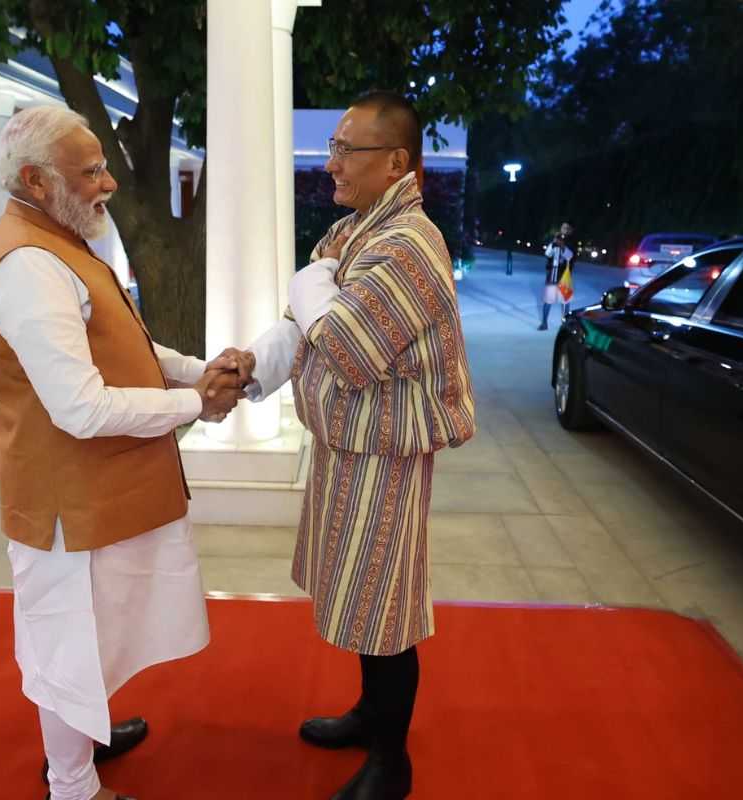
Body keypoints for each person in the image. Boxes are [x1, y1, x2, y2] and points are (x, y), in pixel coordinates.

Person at [0, 106, 243, 800]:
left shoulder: (60, 239)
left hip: (97, 492)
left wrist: (196, 370)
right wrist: (197, 404)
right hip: (64, 504)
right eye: (90, 171)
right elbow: (82, 406)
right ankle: (73, 786)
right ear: (34, 179)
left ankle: (85, 735)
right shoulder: (29, 263)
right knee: (66, 647)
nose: (109, 183)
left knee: (96, 635)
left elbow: (129, 346)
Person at [223, 90, 476, 800]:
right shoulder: (358, 229)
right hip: (349, 448)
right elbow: (304, 323)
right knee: (363, 598)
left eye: (345, 150)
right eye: (332, 147)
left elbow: (346, 345)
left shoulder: (407, 244)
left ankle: (392, 765)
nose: (330, 163)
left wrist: (311, 287)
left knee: (386, 609)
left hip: (386, 456)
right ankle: (371, 716)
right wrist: (249, 366)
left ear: (395, 161)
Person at [539, 222, 575, 330]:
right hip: (552, 275)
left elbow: (571, 256)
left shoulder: (571, 241)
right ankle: (544, 323)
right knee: (548, 300)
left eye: (566, 227)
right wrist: (553, 244)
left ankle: (566, 325)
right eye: (563, 227)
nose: (564, 229)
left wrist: (563, 246)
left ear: (569, 230)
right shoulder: (556, 238)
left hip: (564, 276)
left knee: (565, 301)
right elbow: (547, 253)